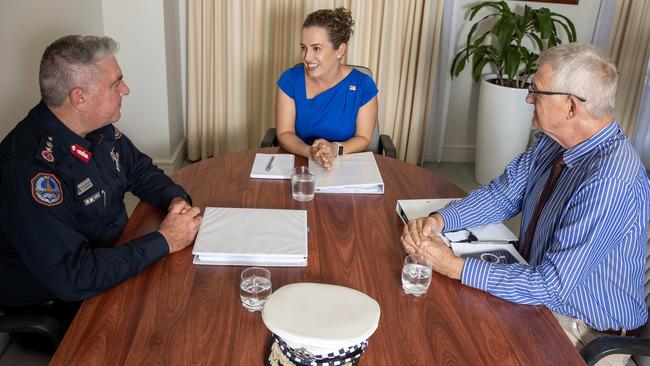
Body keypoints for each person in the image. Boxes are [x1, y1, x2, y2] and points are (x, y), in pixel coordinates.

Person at [401, 43, 649, 366]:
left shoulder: (611, 179)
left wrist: (454, 265)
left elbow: (552, 286)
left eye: (537, 90)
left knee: (460, 341)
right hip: (540, 288)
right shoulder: (553, 141)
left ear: (571, 107)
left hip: (585, 330)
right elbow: (502, 195)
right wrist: (438, 221)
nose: (528, 97)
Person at [0, 35, 202, 308]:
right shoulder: (31, 169)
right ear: (79, 98)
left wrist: (174, 199)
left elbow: (139, 169)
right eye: (116, 83)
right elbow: (73, 275)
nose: (126, 90)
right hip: (66, 298)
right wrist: (165, 240)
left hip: (114, 257)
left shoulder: (96, 127)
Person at [275, 7, 378, 169]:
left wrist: (334, 149)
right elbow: (284, 133)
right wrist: (311, 152)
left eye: (316, 48)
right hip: (300, 165)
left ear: (340, 50)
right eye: (303, 47)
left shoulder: (363, 85)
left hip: (345, 166)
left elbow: (363, 137)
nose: (306, 57)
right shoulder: (290, 79)